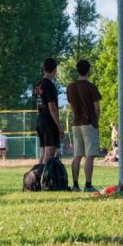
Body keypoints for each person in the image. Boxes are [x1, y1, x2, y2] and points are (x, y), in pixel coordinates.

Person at [66, 59, 102, 192]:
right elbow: (97, 108)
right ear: (89, 70)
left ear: (77, 70)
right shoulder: (91, 87)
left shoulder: (70, 87)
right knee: (90, 155)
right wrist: (96, 119)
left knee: (77, 155)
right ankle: (88, 185)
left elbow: (71, 106)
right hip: (89, 124)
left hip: (76, 124)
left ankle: (75, 185)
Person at [34, 58, 64, 165]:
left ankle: (39, 175)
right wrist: (59, 126)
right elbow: (52, 107)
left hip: (40, 120)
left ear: (43, 69)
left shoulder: (39, 85)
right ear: (55, 70)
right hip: (49, 123)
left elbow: (39, 105)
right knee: (49, 156)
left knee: (43, 155)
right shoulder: (49, 85)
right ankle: (45, 176)